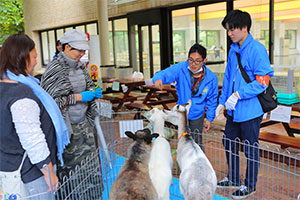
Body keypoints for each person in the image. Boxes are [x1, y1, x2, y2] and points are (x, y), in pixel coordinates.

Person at [0, 34, 69, 199]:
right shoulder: (21, 94)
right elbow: (32, 137)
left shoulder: (4, 87)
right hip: (30, 174)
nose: (36, 61)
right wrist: (48, 170)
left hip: (8, 166)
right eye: (34, 57)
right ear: (22, 58)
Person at [215, 10, 274, 199]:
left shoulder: (256, 49)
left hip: (250, 110)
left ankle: (250, 185)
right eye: (228, 30)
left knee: (250, 148)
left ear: (244, 28)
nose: (230, 33)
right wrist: (222, 102)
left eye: (232, 29)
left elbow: (263, 81)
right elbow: (228, 77)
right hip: (233, 110)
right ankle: (233, 178)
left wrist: (239, 94)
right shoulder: (233, 49)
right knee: (229, 143)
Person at [40, 29, 102, 180]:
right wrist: (80, 97)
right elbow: (51, 101)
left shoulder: (81, 67)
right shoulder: (55, 69)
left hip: (84, 125)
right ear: (67, 47)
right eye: (79, 50)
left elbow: (88, 86)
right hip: (68, 129)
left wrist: (93, 92)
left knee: (91, 165)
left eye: (83, 51)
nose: (81, 54)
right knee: (73, 172)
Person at [152, 43, 219, 150]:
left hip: (197, 114)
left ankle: (198, 165)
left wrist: (210, 118)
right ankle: (182, 165)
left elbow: (212, 99)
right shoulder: (181, 68)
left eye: (197, 61)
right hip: (182, 112)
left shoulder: (211, 78)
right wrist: (158, 79)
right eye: (191, 60)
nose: (193, 64)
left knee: (196, 143)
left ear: (204, 61)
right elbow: (165, 73)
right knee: (182, 141)